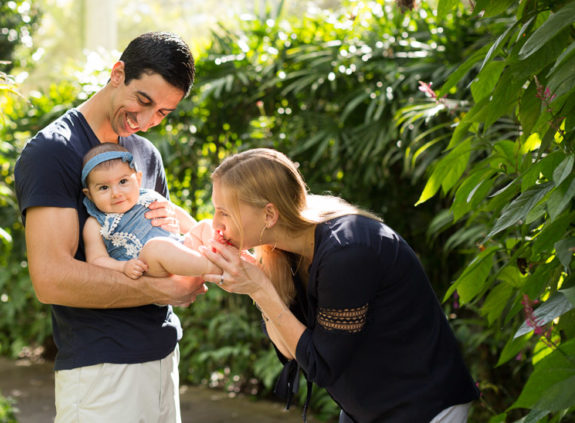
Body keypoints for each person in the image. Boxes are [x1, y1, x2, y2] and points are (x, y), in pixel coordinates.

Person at [200, 148, 480, 423]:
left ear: (269, 215)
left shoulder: (346, 251)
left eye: (224, 212)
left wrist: (260, 289)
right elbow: (291, 351)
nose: (216, 223)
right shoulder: (286, 251)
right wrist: (260, 287)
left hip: (423, 406)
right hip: (369, 408)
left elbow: (322, 366)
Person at [14, 31, 207, 423]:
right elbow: (50, 278)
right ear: (117, 73)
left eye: (163, 113)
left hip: (163, 355)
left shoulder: (145, 154)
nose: (148, 121)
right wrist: (163, 288)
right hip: (101, 371)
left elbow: (165, 241)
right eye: (144, 101)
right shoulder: (54, 152)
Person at [81, 142, 220, 279]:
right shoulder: (96, 223)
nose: (116, 193)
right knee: (156, 247)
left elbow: (176, 214)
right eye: (104, 188)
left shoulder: (149, 197)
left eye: (123, 182)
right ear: (89, 194)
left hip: (180, 249)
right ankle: (213, 268)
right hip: (148, 267)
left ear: (138, 179)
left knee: (205, 225)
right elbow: (96, 260)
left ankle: (226, 258)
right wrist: (123, 267)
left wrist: (196, 234)